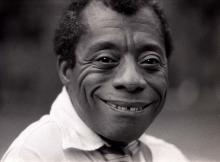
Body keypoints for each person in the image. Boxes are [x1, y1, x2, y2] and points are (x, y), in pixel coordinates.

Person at [1, 0, 189, 162]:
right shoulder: (35, 155)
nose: (132, 80)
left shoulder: (169, 156)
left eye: (150, 61)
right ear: (67, 70)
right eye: (105, 59)